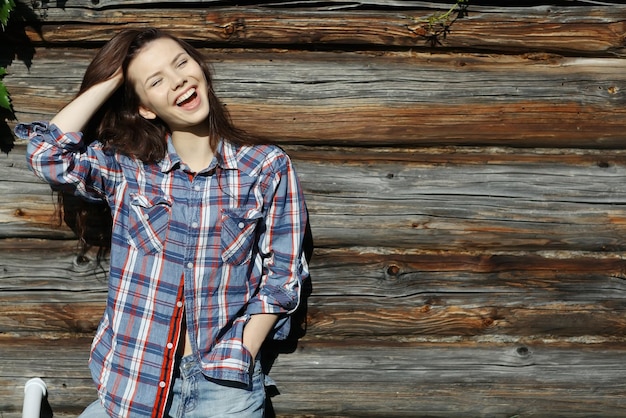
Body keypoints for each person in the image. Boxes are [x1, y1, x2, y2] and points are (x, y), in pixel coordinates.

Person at [16, 28, 310, 418]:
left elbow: (283, 277)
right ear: (145, 107)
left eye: (182, 63)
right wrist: (114, 78)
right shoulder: (127, 169)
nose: (178, 81)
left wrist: (243, 348)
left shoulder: (265, 167)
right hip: (131, 380)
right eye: (156, 81)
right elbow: (46, 154)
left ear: (201, 69)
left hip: (223, 388)